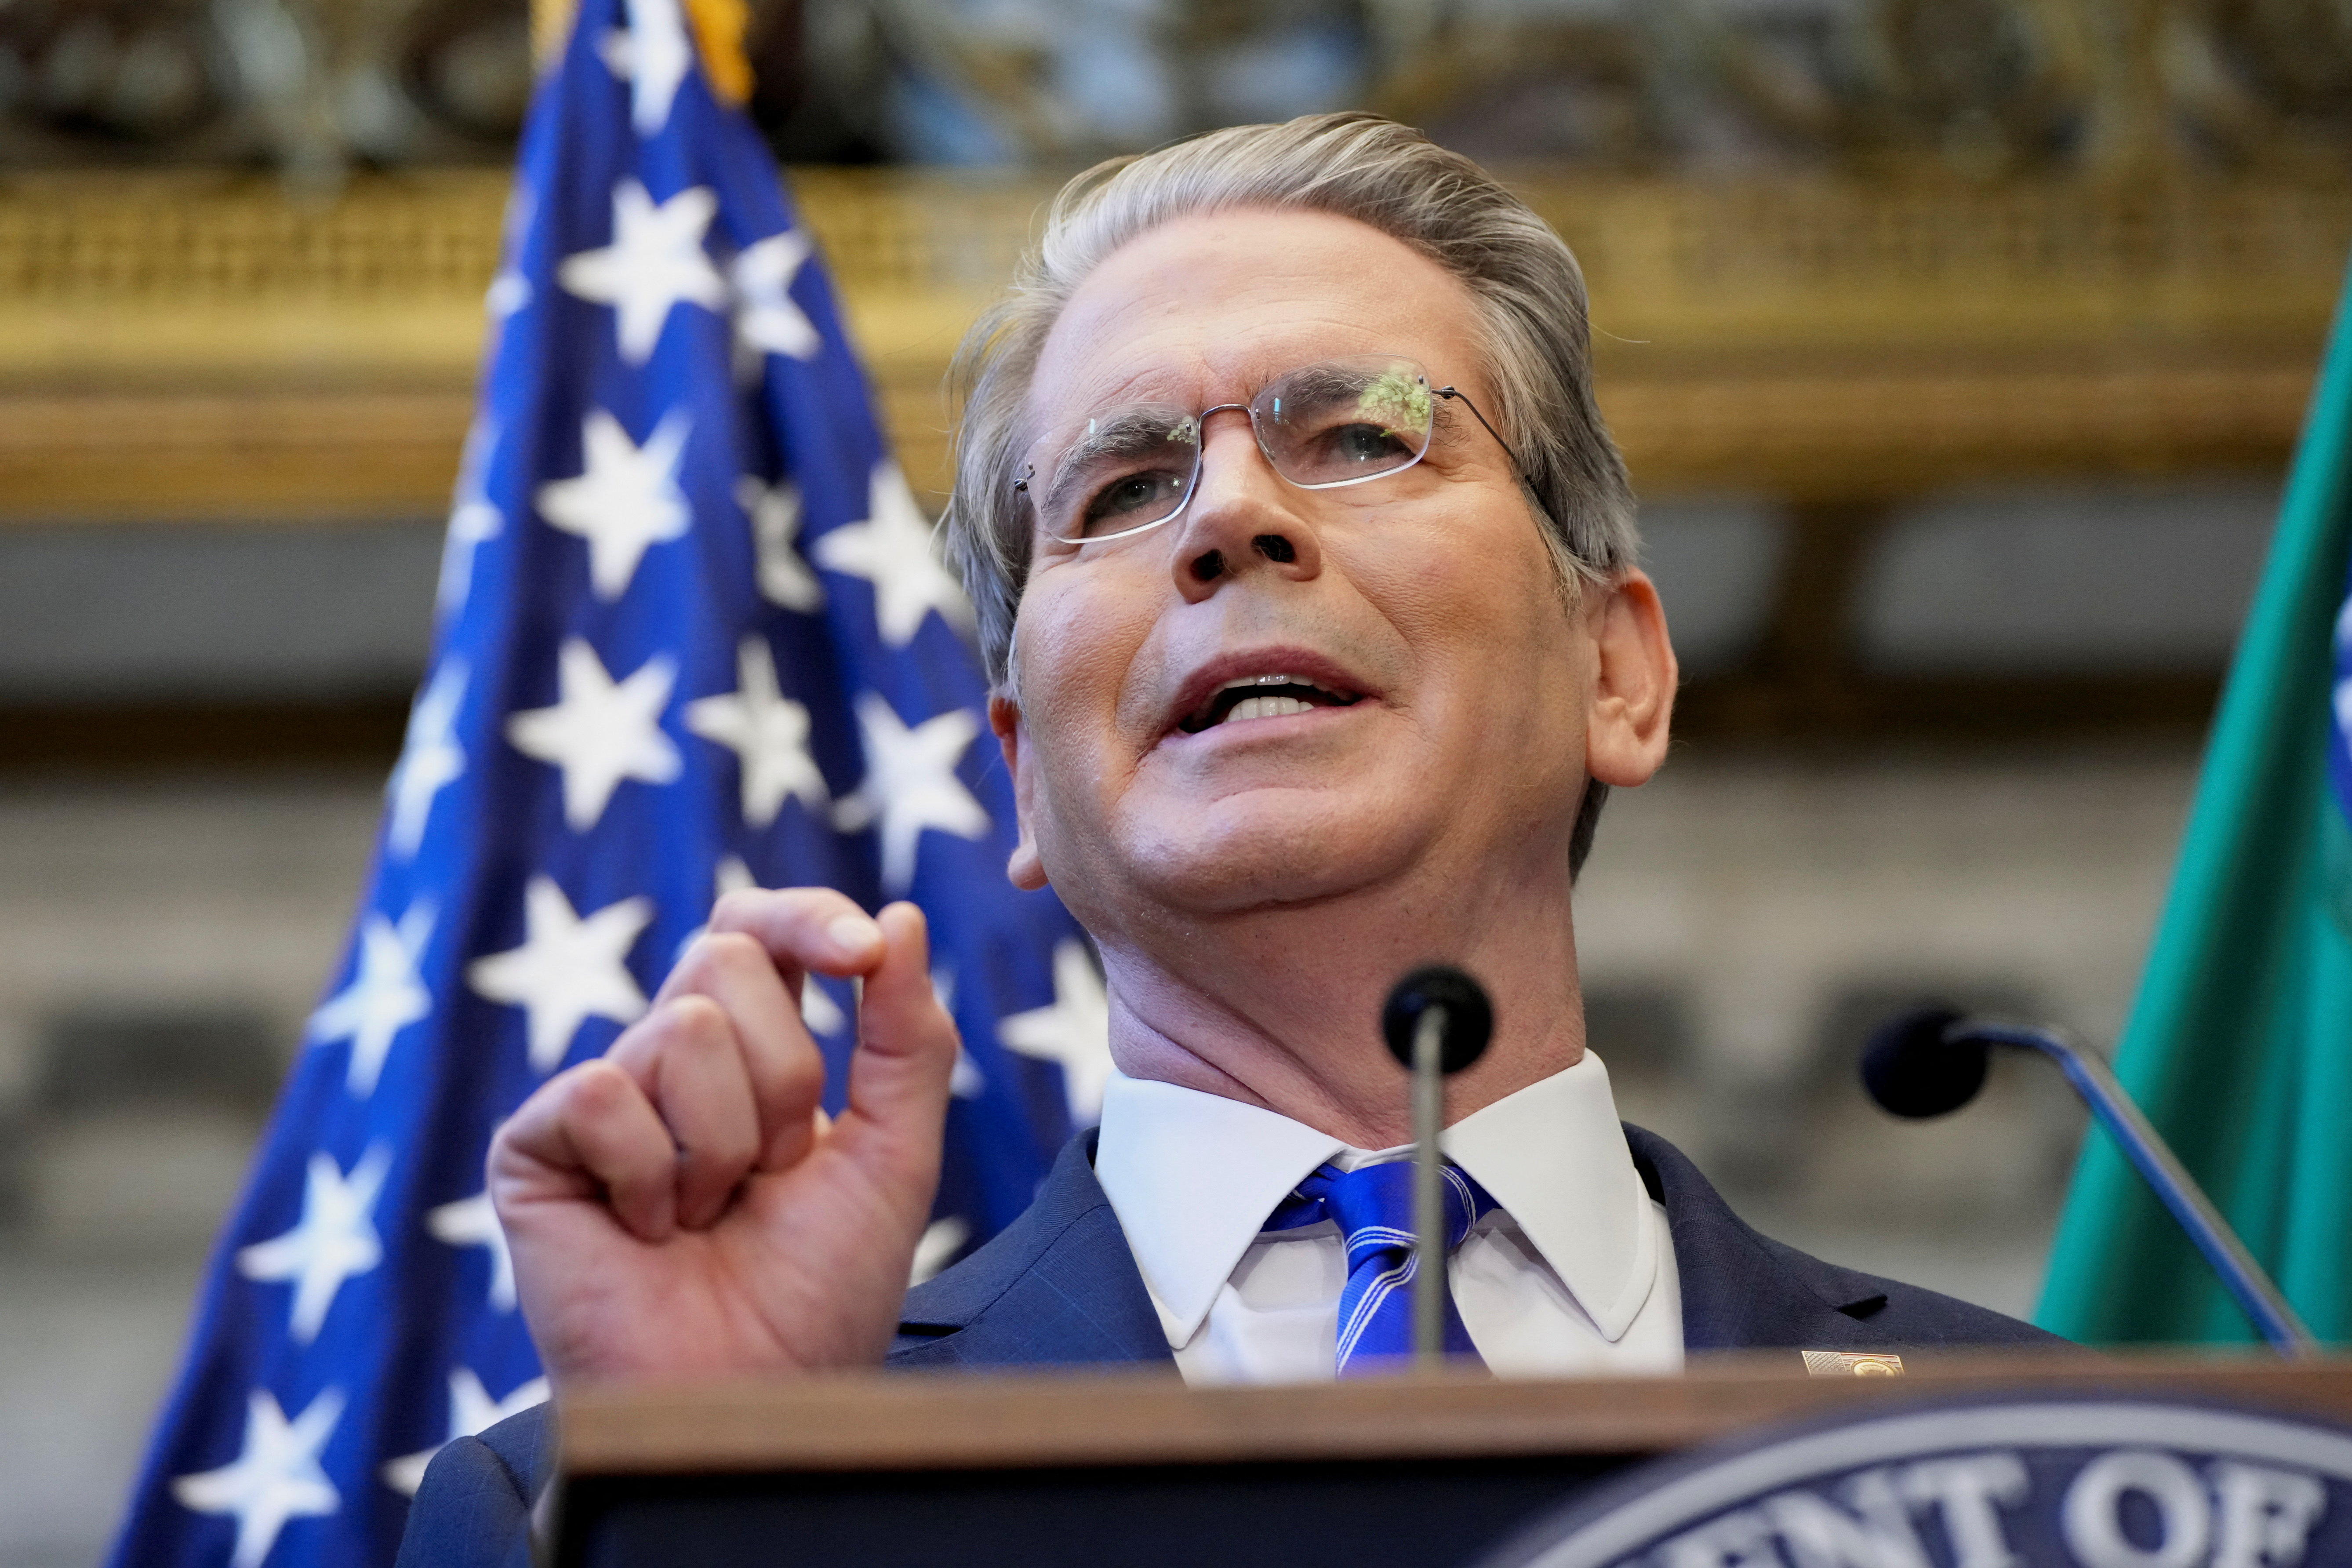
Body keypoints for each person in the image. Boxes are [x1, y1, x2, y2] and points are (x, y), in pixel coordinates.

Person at [397, 111, 2057, 1564]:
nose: (1231, 515)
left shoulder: (2061, 1459)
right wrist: (720, 1515)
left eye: (1365, 434)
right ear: (1022, 779)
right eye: (1121, 488)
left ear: (1615, 672)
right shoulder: (600, 1496)